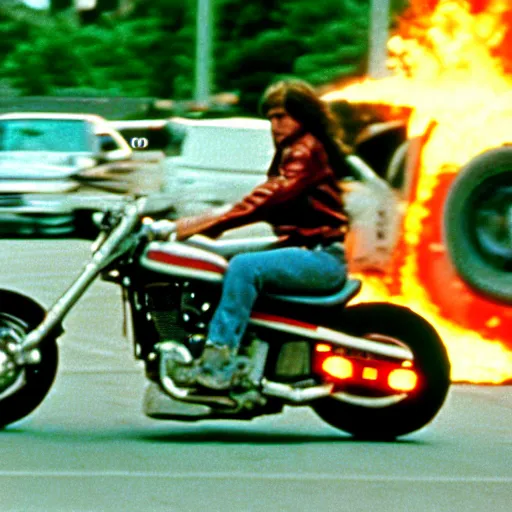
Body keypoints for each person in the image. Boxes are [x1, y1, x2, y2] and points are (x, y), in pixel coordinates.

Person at [153, 79, 352, 390]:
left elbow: (267, 198)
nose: (274, 125)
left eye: (282, 116)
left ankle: (218, 363)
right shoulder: (293, 150)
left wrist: (191, 226)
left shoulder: (305, 150)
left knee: (245, 267)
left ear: (303, 116)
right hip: (301, 247)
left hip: (320, 256)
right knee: (211, 256)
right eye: (270, 118)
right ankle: (208, 337)